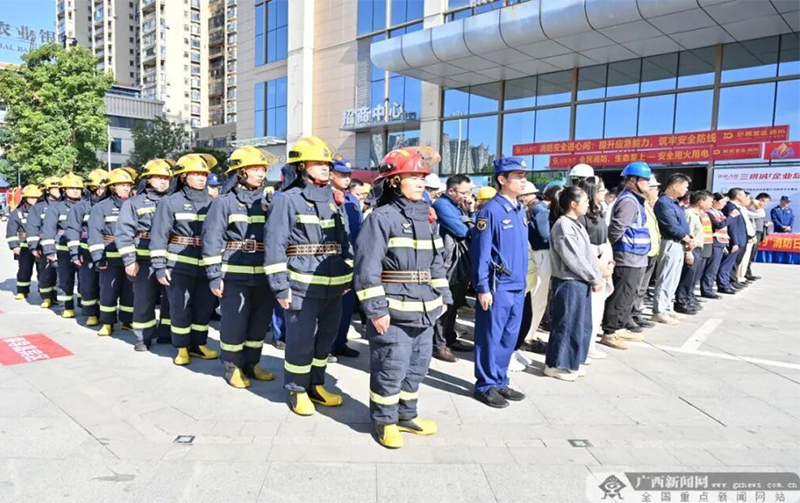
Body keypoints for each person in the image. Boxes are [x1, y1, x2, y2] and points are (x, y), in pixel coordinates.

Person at [354, 147, 451, 449]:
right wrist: (375, 310)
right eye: (413, 176)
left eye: (423, 177)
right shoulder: (381, 218)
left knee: (417, 367)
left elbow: (437, 261)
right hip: (393, 312)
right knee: (390, 368)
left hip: (425, 310)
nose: (421, 182)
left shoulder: (427, 218)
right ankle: (384, 421)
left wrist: (443, 296)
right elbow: (367, 268)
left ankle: (406, 415)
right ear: (395, 181)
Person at [264, 136, 353, 416]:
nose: (326, 168)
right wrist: (280, 286)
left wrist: (347, 275)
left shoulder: (334, 199)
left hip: (333, 284)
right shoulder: (286, 200)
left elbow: (345, 241)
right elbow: (275, 244)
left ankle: (316, 384)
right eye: (318, 163)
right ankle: (297, 388)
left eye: (327, 164)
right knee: (301, 339)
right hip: (301, 283)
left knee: (325, 338)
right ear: (302, 166)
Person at [199, 146, 277, 387]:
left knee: (259, 322)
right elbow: (212, 239)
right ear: (241, 172)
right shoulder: (224, 202)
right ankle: (232, 366)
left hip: (263, 274)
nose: (261, 174)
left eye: (263, 169)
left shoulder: (270, 201)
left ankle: (252, 363)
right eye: (255, 169)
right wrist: (214, 275)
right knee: (235, 322)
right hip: (234, 274)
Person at [150, 153, 220, 365]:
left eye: (204, 174)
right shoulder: (170, 202)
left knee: (203, 307)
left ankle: (198, 344)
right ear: (182, 177)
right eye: (196, 174)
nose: (201, 178)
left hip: (205, 265)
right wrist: (159, 266)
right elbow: (159, 235)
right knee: (180, 307)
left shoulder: (214, 203)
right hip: (178, 265)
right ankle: (181, 347)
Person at [471, 157, 529, 409]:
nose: (523, 181)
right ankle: (485, 385)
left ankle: (500, 379)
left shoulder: (519, 209)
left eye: (524, 176)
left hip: (517, 284)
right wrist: (483, 287)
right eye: (517, 176)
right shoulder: (491, 211)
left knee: (509, 336)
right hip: (498, 285)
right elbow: (481, 253)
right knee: (490, 336)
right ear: (502, 179)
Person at [545, 186, 603, 381]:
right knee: (566, 324)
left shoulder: (574, 224)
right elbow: (574, 258)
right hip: (569, 281)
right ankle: (555, 365)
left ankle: (572, 363)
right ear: (573, 204)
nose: (588, 205)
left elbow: (586, 255)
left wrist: (595, 274)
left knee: (579, 325)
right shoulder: (563, 225)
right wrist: (593, 277)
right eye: (585, 202)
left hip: (579, 280)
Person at [116, 160, 173, 351]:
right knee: (144, 299)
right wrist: (130, 260)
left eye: (166, 178)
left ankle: (166, 332)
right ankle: (143, 336)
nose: (163, 182)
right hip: (143, 259)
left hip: (169, 258)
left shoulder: (173, 200)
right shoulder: (134, 203)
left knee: (170, 299)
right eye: (159, 177)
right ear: (148, 179)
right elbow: (124, 233)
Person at [602, 162, 652, 347]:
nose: (648, 183)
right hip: (627, 255)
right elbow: (617, 228)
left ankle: (620, 327)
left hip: (637, 256)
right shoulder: (628, 201)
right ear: (632, 180)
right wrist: (609, 249)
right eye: (645, 179)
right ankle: (610, 332)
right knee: (621, 295)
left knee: (629, 294)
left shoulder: (636, 200)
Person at [432, 173, 474, 363]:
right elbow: (463, 231)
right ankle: (439, 345)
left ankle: (449, 338)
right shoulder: (442, 205)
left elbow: (473, 228)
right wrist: (468, 221)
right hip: (446, 263)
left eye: (469, 192)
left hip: (459, 263)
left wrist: (470, 212)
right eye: (464, 192)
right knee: (444, 305)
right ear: (451, 190)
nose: (468, 196)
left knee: (454, 303)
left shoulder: (458, 206)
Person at [88, 169, 136, 336]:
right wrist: (98, 257)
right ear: (112, 187)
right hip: (109, 257)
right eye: (122, 185)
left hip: (130, 257)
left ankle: (127, 321)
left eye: (128, 185)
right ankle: (107, 322)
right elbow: (95, 234)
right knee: (108, 291)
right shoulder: (101, 207)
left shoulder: (134, 204)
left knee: (129, 291)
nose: (126, 188)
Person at [522, 181, 563, 354]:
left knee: (534, 296)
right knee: (538, 297)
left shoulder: (533, 209)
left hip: (534, 255)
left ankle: (527, 333)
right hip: (541, 255)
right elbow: (545, 235)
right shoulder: (541, 210)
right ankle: (528, 335)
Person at [65, 169, 108, 326]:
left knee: (106, 287)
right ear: (92, 188)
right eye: (100, 187)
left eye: (105, 187)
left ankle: (106, 315)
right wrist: (75, 253)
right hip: (87, 253)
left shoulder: (113, 206)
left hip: (108, 252)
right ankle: (91, 314)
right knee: (88, 285)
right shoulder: (80, 208)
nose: (103, 190)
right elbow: (72, 230)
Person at [575, 176, 611, 361]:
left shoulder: (599, 211)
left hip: (604, 260)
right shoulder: (581, 217)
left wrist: (609, 261)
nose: (604, 192)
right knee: (588, 311)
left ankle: (590, 346)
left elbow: (606, 238)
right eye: (601, 189)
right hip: (592, 266)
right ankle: (583, 348)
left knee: (597, 310)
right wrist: (599, 267)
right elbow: (583, 247)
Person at [329, 158, 361, 360]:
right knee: (329, 309)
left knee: (346, 306)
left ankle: (340, 342)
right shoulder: (323, 198)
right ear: (331, 174)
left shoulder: (353, 201)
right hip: (330, 260)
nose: (347, 178)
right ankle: (326, 346)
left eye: (349, 175)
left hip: (350, 260)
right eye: (342, 174)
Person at [42, 173, 85, 319]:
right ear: (64, 190)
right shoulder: (56, 208)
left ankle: (85, 306)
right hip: (63, 251)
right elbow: (48, 230)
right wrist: (49, 251)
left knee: (85, 280)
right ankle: (66, 307)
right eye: (71, 188)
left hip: (82, 249)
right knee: (64, 280)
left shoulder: (86, 206)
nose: (75, 191)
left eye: (78, 188)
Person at [652, 173, 693, 325]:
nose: (686, 190)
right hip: (670, 242)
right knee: (666, 277)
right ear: (676, 186)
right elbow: (671, 225)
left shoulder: (674, 203)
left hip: (679, 243)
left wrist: (688, 238)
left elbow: (682, 225)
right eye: (685, 186)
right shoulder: (664, 203)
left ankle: (667, 307)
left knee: (674, 278)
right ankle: (659, 311)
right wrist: (687, 238)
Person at [509, 181, 539, 371]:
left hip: (525, 276)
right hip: (511, 279)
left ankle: (515, 348)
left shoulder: (520, 211)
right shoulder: (500, 212)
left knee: (526, 316)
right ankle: (507, 353)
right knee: (513, 320)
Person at [630, 176, 660, 327]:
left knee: (642, 287)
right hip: (641, 252)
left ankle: (636, 313)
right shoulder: (637, 204)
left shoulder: (648, 206)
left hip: (651, 251)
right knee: (635, 286)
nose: (657, 191)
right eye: (655, 188)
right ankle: (630, 315)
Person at [674, 191, 711, 315]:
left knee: (693, 276)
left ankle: (689, 298)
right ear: (700, 201)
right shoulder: (689, 214)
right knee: (687, 276)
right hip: (691, 248)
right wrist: (688, 252)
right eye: (709, 201)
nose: (710, 204)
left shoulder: (697, 214)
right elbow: (687, 234)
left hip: (698, 248)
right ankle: (681, 302)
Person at [26, 176, 61, 309]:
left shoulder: (64, 205)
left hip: (62, 244)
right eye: (54, 188)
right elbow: (32, 227)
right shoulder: (38, 207)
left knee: (61, 274)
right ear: (47, 190)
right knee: (45, 272)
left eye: (59, 188)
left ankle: (57, 295)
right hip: (44, 244)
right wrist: (34, 246)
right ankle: (46, 297)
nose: (58, 190)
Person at [7, 185, 42, 300]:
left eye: (37, 197)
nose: (34, 200)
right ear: (25, 198)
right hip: (24, 247)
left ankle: (45, 292)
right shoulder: (17, 213)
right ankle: (22, 291)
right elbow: (11, 231)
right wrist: (14, 246)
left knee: (43, 271)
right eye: (31, 197)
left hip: (39, 246)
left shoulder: (44, 210)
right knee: (24, 269)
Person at [718, 188, 747, 295]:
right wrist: (735, 242)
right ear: (738, 196)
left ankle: (726, 283)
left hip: (739, 240)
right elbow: (732, 226)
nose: (745, 198)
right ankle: (723, 285)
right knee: (726, 264)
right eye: (743, 195)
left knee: (729, 264)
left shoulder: (736, 207)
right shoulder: (731, 207)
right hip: (734, 241)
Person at [745, 193, 771, 281]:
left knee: (752, 254)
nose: (765, 204)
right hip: (753, 233)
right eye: (765, 202)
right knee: (749, 254)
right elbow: (760, 214)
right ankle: (746, 273)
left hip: (758, 232)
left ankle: (748, 272)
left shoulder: (757, 208)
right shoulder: (753, 207)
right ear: (760, 200)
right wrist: (756, 203)